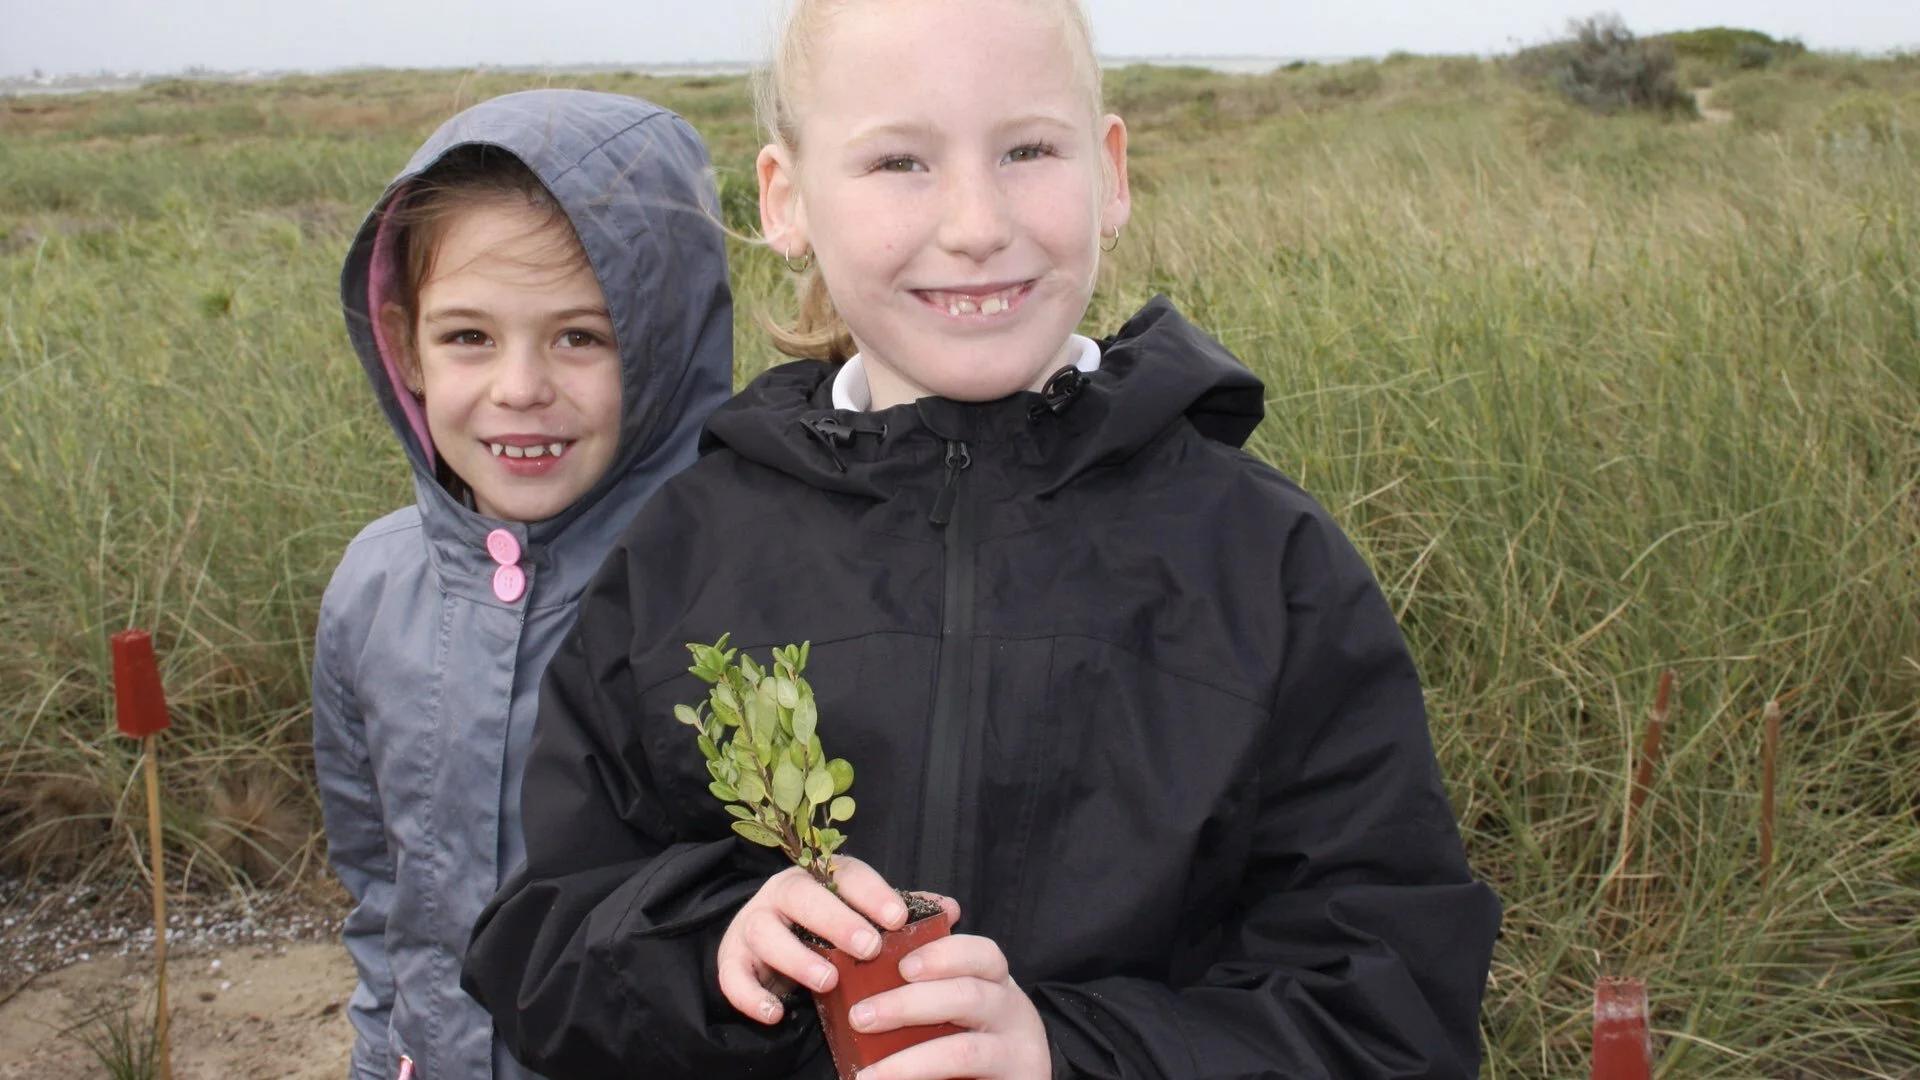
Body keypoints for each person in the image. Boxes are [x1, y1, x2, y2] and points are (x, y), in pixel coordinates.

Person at [463, 2, 1502, 1077]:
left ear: (1110, 174)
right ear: (786, 199)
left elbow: (1391, 1010)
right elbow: (543, 946)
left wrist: (1066, 1057)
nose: (974, 223)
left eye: (1028, 151)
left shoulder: (1266, 562)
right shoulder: (689, 547)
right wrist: (714, 950)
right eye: (900, 161)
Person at [312, 88, 733, 1080]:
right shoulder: (373, 590)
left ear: (664, 345)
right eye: (469, 337)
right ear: (404, 344)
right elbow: (382, 894)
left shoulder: (736, 596)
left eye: (581, 336)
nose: (519, 388)